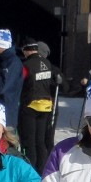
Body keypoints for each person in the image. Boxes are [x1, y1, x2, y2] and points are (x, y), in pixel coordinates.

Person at [18, 37, 63, 172]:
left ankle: (29, 171)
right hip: (46, 107)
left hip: (30, 106)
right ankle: (42, 170)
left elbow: (20, 83)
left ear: (26, 50)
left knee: (29, 142)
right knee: (41, 142)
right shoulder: (47, 63)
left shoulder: (26, 65)